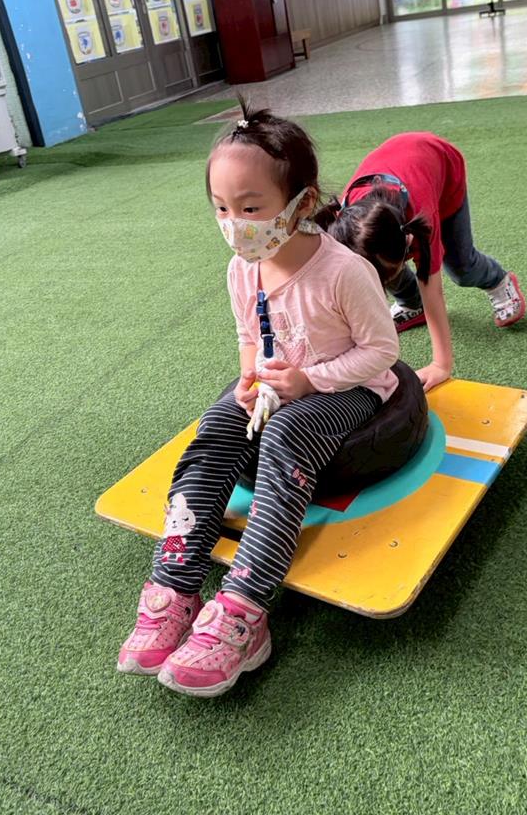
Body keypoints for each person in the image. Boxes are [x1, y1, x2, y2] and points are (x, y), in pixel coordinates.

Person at [117, 103, 399, 697]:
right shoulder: (241, 271)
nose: (234, 224)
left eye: (250, 208)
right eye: (221, 208)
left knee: (288, 434)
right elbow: (250, 335)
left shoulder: (343, 273)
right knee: (219, 422)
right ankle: (175, 582)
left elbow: (382, 352)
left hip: (351, 387)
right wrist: (250, 377)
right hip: (280, 381)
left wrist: (308, 382)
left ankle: (244, 609)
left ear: (302, 203)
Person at [316, 132, 526, 392]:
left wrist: (441, 364)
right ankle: (411, 303)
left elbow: (433, 291)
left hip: (442, 166)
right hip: (398, 165)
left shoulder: (421, 220)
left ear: (408, 241)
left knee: (461, 267)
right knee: (376, 267)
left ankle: (498, 281)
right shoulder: (344, 230)